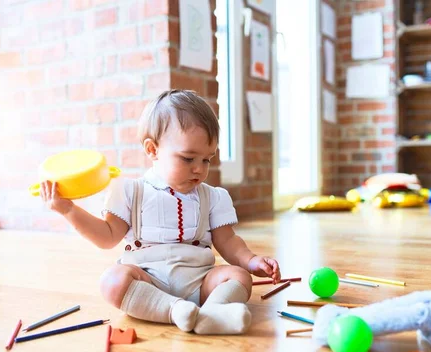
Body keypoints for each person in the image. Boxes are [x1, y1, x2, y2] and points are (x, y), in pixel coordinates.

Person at [39, 89, 281, 335]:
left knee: (239, 277)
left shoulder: (213, 196)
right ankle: (176, 310)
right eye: (188, 159)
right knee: (112, 281)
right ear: (152, 150)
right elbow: (107, 237)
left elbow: (227, 241)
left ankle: (212, 312)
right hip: (147, 280)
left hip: (199, 281)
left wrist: (250, 260)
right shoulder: (129, 191)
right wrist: (69, 210)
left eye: (207, 159)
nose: (199, 169)